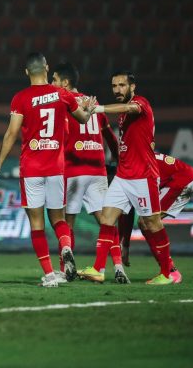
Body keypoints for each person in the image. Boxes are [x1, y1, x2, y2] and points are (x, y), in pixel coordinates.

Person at [0, 53, 95, 287]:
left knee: (36, 224)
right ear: (46, 68)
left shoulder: (20, 98)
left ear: (26, 72)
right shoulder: (63, 94)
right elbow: (83, 119)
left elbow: (11, 134)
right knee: (58, 219)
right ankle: (66, 247)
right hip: (56, 168)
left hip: (32, 168)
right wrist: (88, 109)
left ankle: (49, 274)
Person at [78, 71, 175, 285]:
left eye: (122, 85)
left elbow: (129, 107)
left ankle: (168, 273)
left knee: (152, 223)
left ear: (133, 87)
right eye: (114, 86)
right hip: (123, 176)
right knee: (107, 219)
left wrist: (98, 108)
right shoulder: (122, 115)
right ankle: (98, 269)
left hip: (144, 176)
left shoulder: (140, 104)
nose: (117, 90)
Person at [51, 63, 128, 284]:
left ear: (65, 83)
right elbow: (110, 138)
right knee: (107, 222)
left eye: (54, 80)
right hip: (98, 169)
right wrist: (117, 159)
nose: (52, 84)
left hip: (74, 170)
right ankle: (118, 267)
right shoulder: (94, 103)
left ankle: (65, 270)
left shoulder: (64, 103)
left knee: (67, 222)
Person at [119, 152, 193, 283]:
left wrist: (125, 244)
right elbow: (129, 207)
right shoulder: (137, 156)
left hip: (183, 180)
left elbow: (127, 209)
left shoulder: (129, 166)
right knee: (144, 222)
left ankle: (170, 272)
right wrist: (126, 244)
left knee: (148, 221)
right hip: (185, 177)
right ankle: (169, 271)